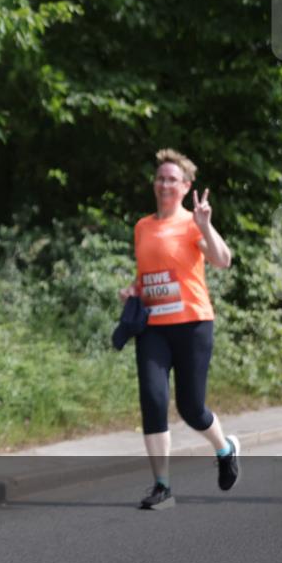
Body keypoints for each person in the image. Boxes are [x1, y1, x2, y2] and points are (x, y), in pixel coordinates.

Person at [119, 149, 238, 510]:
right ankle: (162, 487)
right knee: (153, 401)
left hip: (193, 325)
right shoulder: (142, 226)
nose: (165, 184)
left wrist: (205, 225)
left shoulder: (192, 224)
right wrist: (133, 291)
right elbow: (148, 275)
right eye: (160, 178)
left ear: (186, 186)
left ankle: (225, 449)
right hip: (153, 328)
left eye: (172, 179)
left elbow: (223, 260)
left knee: (191, 408)